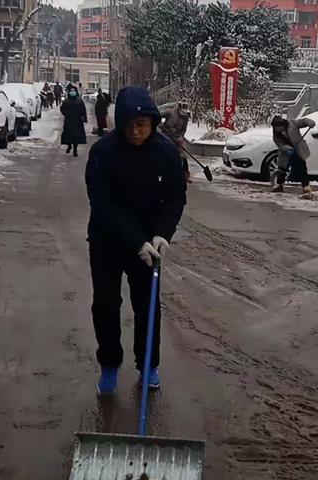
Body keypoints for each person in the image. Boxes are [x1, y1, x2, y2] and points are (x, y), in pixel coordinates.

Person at [85, 86, 186, 395]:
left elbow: (175, 199)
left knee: (147, 305)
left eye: (142, 125)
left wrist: (161, 235)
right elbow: (102, 205)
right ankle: (110, 365)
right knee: (105, 304)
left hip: (149, 245)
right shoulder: (103, 153)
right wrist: (135, 241)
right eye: (129, 124)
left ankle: (149, 365)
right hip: (107, 241)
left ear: (153, 123)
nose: (135, 131)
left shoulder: (166, 153)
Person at [270, 115, 316, 196]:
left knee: (301, 166)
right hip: (287, 153)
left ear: (281, 125)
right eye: (274, 127)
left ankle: (306, 186)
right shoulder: (276, 135)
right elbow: (280, 144)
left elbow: (302, 121)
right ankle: (279, 185)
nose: (275, 129)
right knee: (282, 168)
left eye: (276, 127)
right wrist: (287, 148)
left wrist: (309, 122)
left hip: (298, 149)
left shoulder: (292, 123)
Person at [159, 100, 191, 183]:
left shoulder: (186, 117)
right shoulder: (170, 112)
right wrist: (160, 124)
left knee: (182, 154)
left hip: (177, 137)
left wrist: (180, 137)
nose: (183, 114)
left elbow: (184, 130)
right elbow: (157, 116)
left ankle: (185, 174)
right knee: (165, 150)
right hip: (165, 135)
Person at [60, 86, 87, 157]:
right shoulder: (66, 101)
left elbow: (83, 110)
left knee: (76, 137)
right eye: (71, 91)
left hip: (77, 121)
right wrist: (65, 114)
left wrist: (84, 118)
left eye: (73, 91)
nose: (72, 92)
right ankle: (69, 145)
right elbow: (62, 109)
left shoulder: (79, 101)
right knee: (68, 136)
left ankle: (75, 150)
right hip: (68, 121)